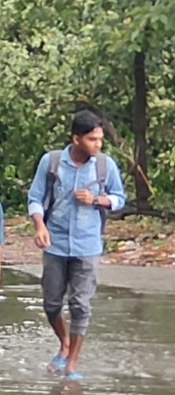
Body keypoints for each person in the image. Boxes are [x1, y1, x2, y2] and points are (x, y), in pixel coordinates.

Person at [27, 110, 127, 381]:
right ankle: (65, 343)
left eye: (100, 139)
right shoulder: (52, 162)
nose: (99, 144)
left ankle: (71, 363)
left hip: (88, 245)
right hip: (55, 243)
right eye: (93, 139)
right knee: (51, 303)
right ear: (76, 139)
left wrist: (97, 200)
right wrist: (40, 226)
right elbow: (35, 198)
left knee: (81, 305)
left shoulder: (105, 166)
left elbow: (119, 199)